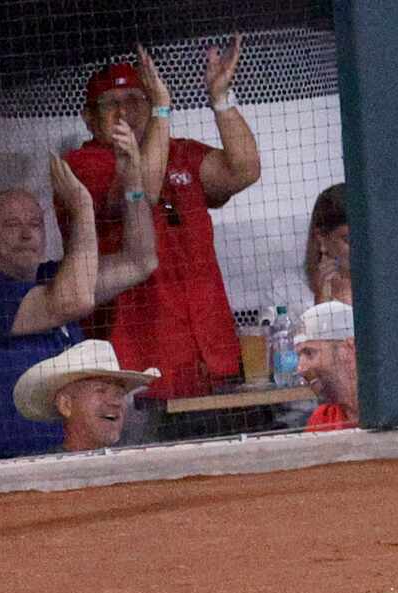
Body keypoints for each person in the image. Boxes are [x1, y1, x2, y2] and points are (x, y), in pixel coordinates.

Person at [65, 43, 255, 403]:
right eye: (111, 102)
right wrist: (163, 109)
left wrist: (221, 99)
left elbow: (243, 170)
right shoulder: (83, 163)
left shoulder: (179, 151)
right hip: (137, 373)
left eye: (137, 99)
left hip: (210, 359)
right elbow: (144, 191)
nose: (125, 111)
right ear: (89, 118)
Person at [0, 140, 157, 460]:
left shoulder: (56, 278)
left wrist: (133, 183)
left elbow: (141, 261)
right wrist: (82, 207)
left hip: (66, 458)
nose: (27, 234)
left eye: (35, 224)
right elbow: (73, 301)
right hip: (3, 467)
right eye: (11, 225)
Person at [299, 184, 398, 372]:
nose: (363, 249)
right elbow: (297, 369)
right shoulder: (294, 291)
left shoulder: (392, 288)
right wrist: (322, 304)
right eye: (349, 240)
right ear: (321, 239)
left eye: (368, 238)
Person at [289, 301, 398, 431]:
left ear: (349, 349)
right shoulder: (321, 419)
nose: (301, 368)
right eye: (299, 356)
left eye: (309, 353)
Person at [11, 338, 157, 452]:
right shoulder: (42, 476)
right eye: (101, 390)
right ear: (66, 405)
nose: (115, 402)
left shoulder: (136, 471)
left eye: (119, 393)